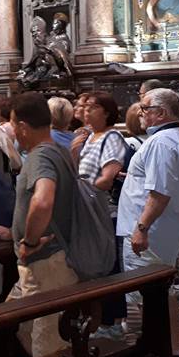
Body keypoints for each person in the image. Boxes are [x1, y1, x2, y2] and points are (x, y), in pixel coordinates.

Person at [0, 92, 79, 357]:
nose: (10, 131)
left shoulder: (41, 156)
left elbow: (43, 200)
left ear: (22, 125)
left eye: (11, 124)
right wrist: (17, 231)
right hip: (44, 263)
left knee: (47, 340)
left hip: (45, 265)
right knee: (14, 324)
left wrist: (28, 239)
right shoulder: (57, 150)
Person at [116, 88, 179, 357]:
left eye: (144, 107)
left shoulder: (162, 142)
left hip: (151, 231)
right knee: (162, 292)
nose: (141, 112)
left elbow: (159, 193)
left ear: (160, 113)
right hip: (163, 229)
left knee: (148, 298)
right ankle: (171, 351)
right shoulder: (176, 138)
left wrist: (141, 227)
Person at [75, 91, 128, 338]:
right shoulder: (88, 138)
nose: (85, 111)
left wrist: (86, 189)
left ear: (106, 112)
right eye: (84, 108)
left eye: (91, 108)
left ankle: (113, 322)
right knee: (94, 265)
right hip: (87, 209)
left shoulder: (112, 137)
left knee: (109, 266)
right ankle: (97, 318)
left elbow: (107, 179)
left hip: (104, 211)